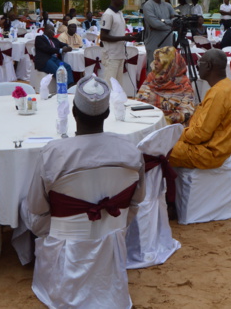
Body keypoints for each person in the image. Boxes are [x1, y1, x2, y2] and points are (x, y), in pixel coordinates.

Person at [20, 75, 145, 307]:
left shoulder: (53, 153)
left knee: (22, 204)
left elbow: (37, 207)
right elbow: (136, 202)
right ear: (107, 114)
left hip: (64, 234)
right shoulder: (130, 151)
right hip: (113, 229)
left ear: (73, 112)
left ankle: (26, 260)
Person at [168, 49, 231, 169]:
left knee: (156, 149)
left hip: (208, 153)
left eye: (199, 64)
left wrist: (175, 135)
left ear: (209, 66)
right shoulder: (227, 85)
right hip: (215, 145)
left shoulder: (219, 93)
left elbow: (198, 135)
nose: (197, 68)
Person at [136, 46, 196, 124]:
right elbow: (139, 100)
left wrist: (162, 119)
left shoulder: (183, 83)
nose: (155, 63)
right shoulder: (152, 77)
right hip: (148, 120)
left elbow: (186, 113)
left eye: (159, 60)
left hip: (171, 126)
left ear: (169, 64)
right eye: (155, 59)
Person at [100, 0, 135, 84]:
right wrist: (124, 38)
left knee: (118, 87)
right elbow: (103, 36)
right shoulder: (108, 14)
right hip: (111, 56)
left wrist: (129, 36)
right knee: (110, 86)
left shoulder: (119, 13)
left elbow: (117, 33)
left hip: (120, 55)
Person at [142, 0, 176, 73]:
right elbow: (155, 24)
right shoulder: (148, 5)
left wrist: (163, 22)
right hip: (154, 45)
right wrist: (170, 24)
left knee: (168, 72)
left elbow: (176, 21)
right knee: (154, 73)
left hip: (168, 46)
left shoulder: (168, 6)